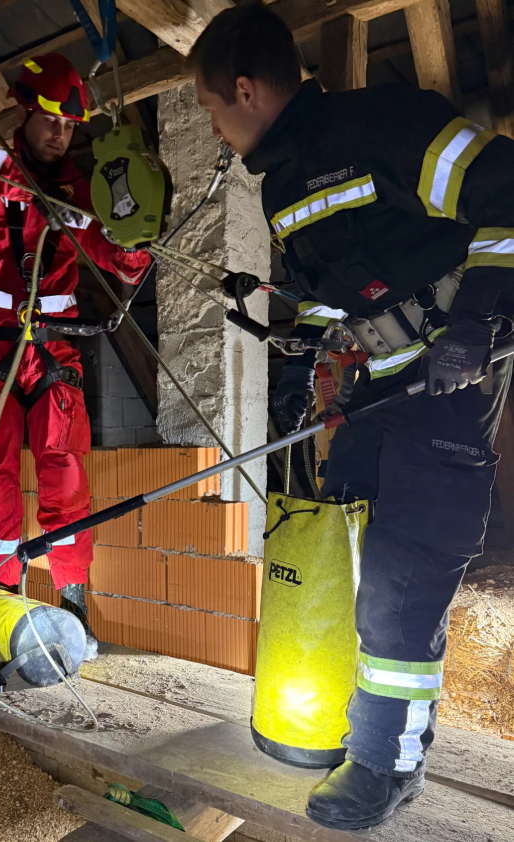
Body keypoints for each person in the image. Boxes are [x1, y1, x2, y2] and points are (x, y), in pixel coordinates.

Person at [189, 2, 514, 830]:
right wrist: (307, 340)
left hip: (448, 387)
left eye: (209, 110)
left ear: (244, 87)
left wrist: (475, 324)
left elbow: (507, 192)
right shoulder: (284, 187)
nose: (214, 128)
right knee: (348, 565)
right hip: (374, 391)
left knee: (404, 586)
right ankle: (347, 721)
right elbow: (344, 286)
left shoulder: (386, 127)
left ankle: (386, 763)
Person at [0, 54, 151, 661]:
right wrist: (14, 179)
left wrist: (134, 235)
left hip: (51, 354)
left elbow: (123, 257)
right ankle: (1, 601)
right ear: (25, 114)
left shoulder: (78, 191)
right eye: (49, 119)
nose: (60, 133)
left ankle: (73, 602)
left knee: (67, 482)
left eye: (70, 125)